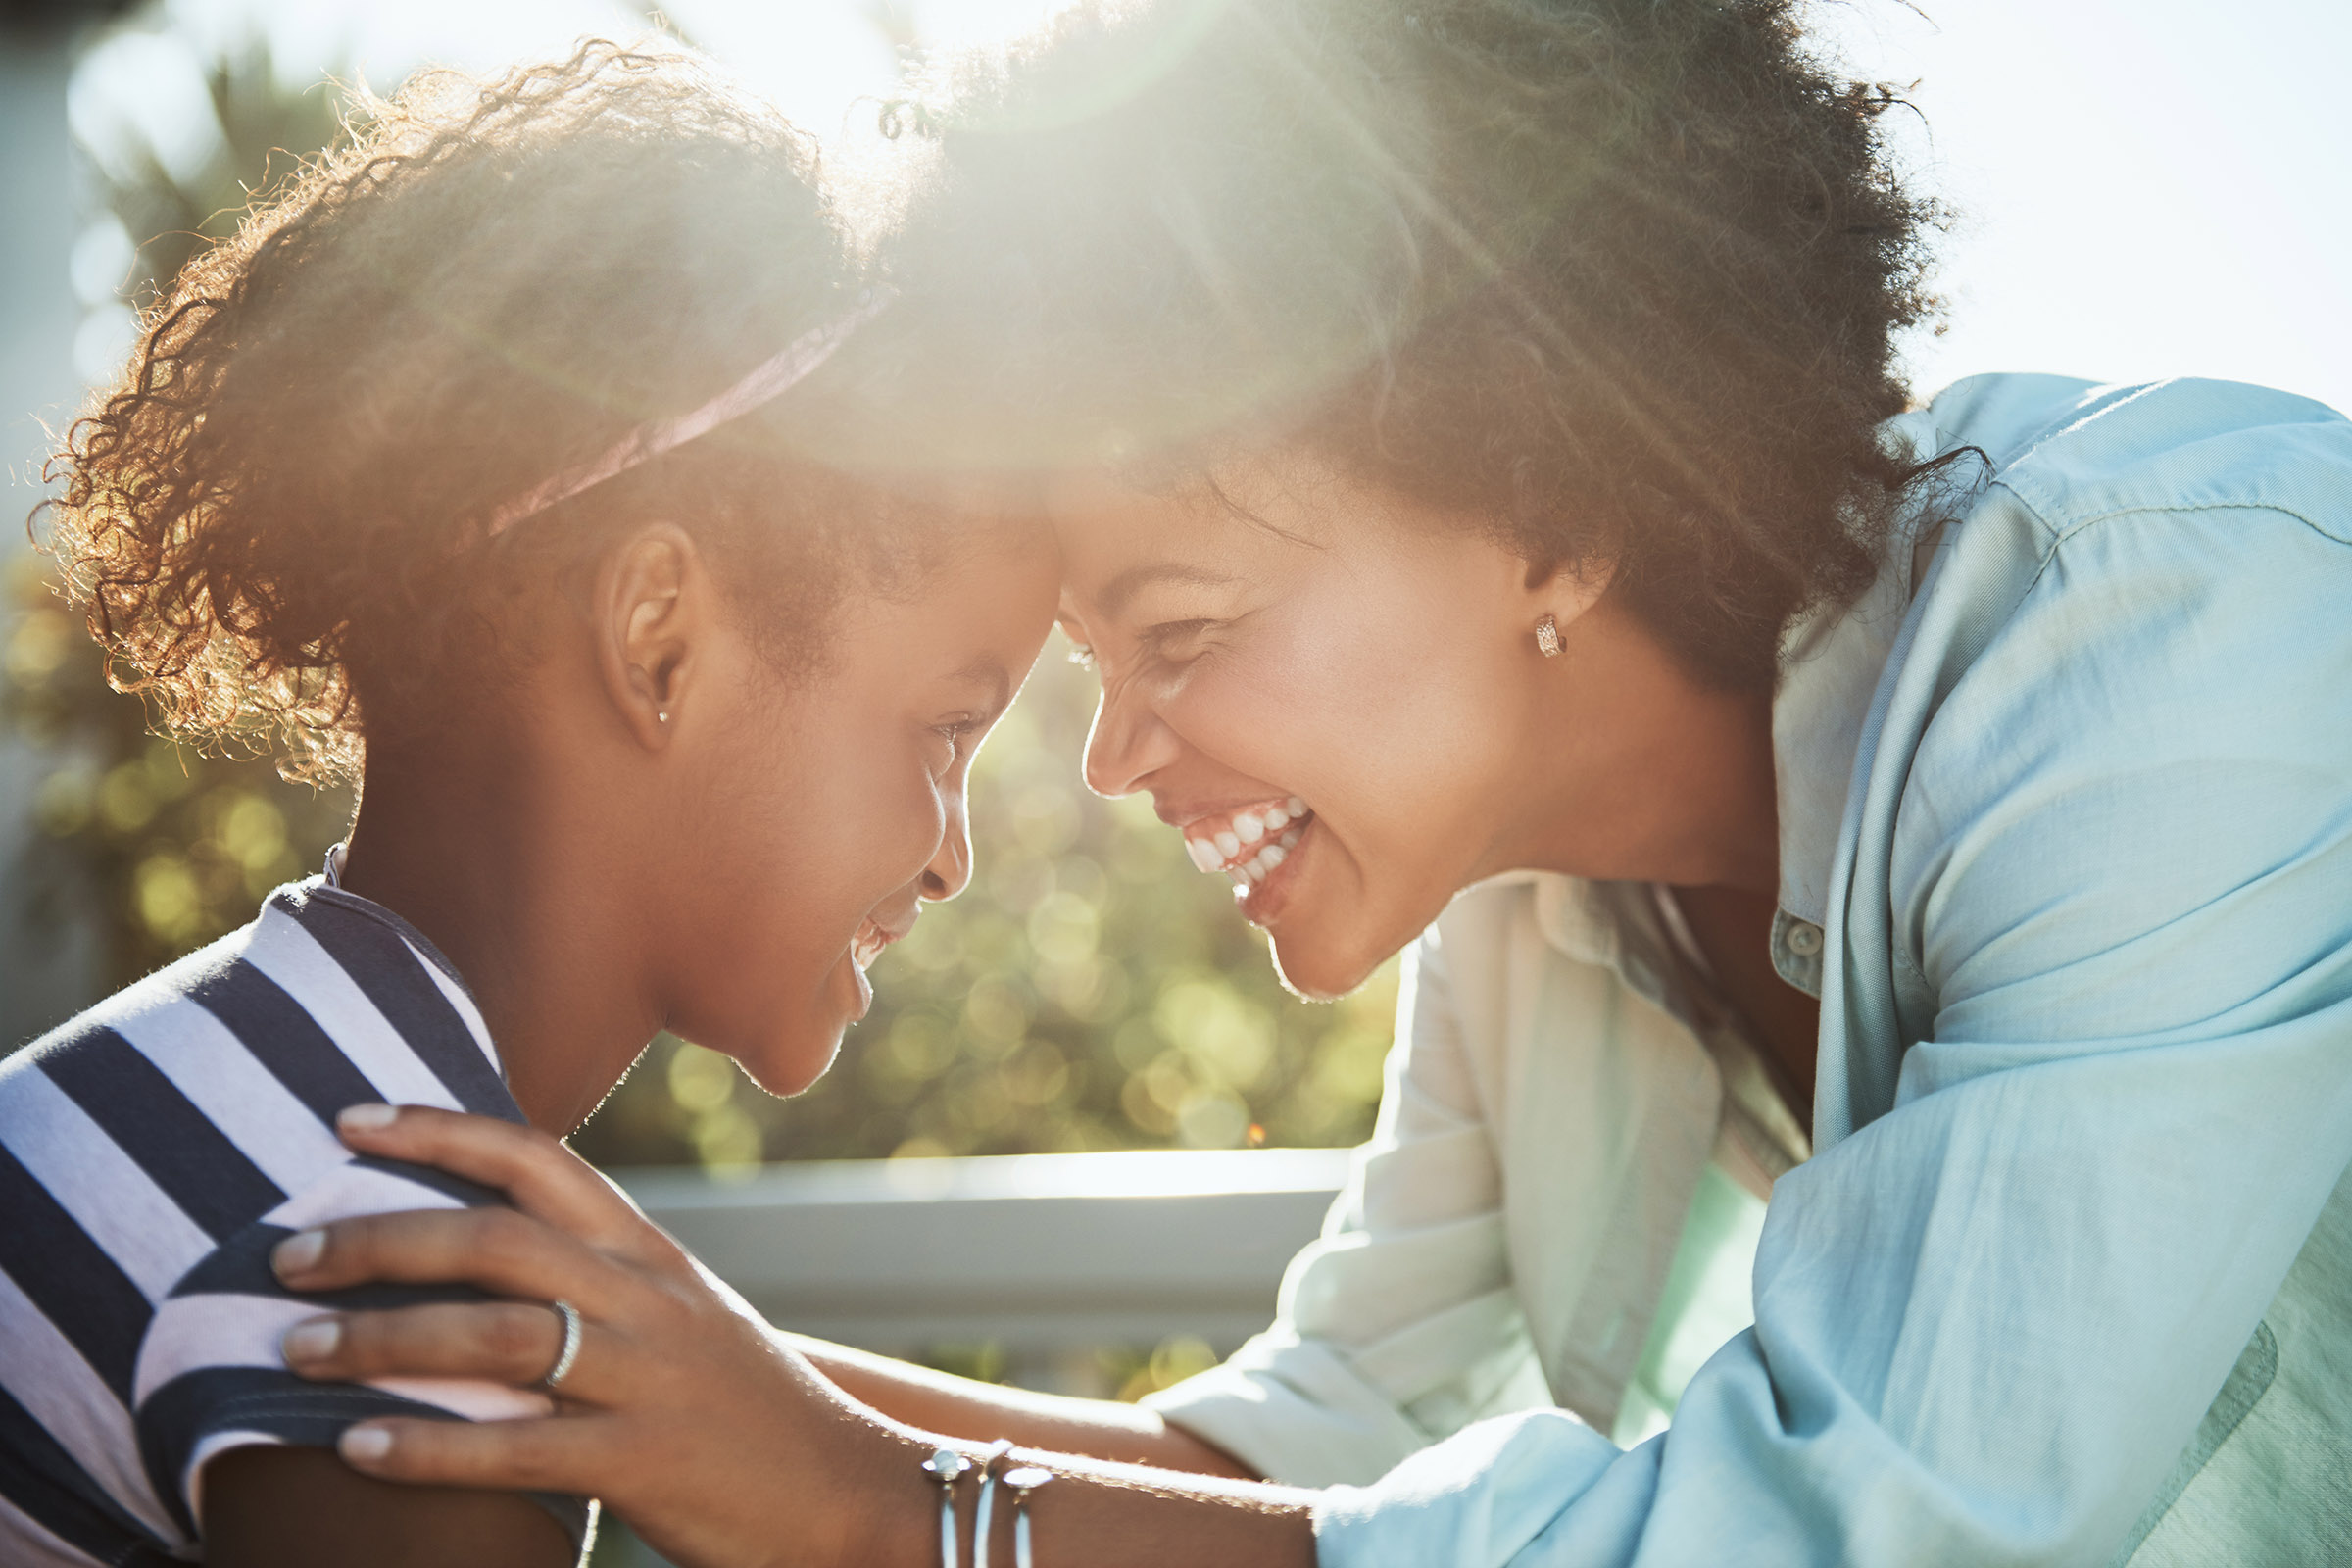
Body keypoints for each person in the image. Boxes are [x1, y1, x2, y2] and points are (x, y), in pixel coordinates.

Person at [259, 0, 2352, 1563]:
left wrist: (893, 1510)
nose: (1119, 754)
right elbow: (1299, 1466)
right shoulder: (1535, 888)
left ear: (1549, 502)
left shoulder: (2174, 638)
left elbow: (1860, 1520)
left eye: (1177, 634)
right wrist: (643, 1342)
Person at [0, 40, 1056, 1568]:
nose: (956, 854)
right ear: (659, 641)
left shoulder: (197, 1087)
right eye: (949, 730)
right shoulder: (403, 1276)